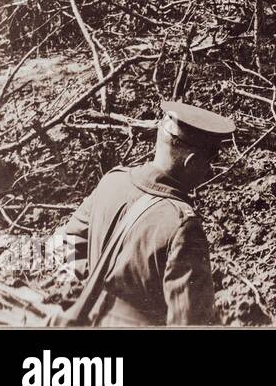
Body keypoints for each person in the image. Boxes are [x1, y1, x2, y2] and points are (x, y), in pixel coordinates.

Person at [55, 101, 235, 326]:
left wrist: (97, 284)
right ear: (192, 162)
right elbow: (189, 321)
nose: (210, 171)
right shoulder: (183, 226)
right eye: (211, 162)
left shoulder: (112, 181)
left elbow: (67, 240)